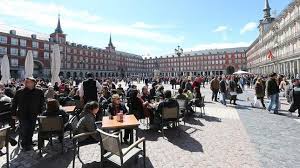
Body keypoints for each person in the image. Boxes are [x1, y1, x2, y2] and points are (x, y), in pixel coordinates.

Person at [11, 77, 45, 151]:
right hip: (22, 114)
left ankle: (29, 142)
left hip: (33, 114)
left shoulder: (39, 91)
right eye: (26, 82)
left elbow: (42, 102)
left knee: (31, 129)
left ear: (34, 83)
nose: (27, 83)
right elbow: (14, 103)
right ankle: (24, 144)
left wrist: (40, 111)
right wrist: (13, 114)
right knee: (24, 129)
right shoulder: (19, 91)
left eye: (29, 82)